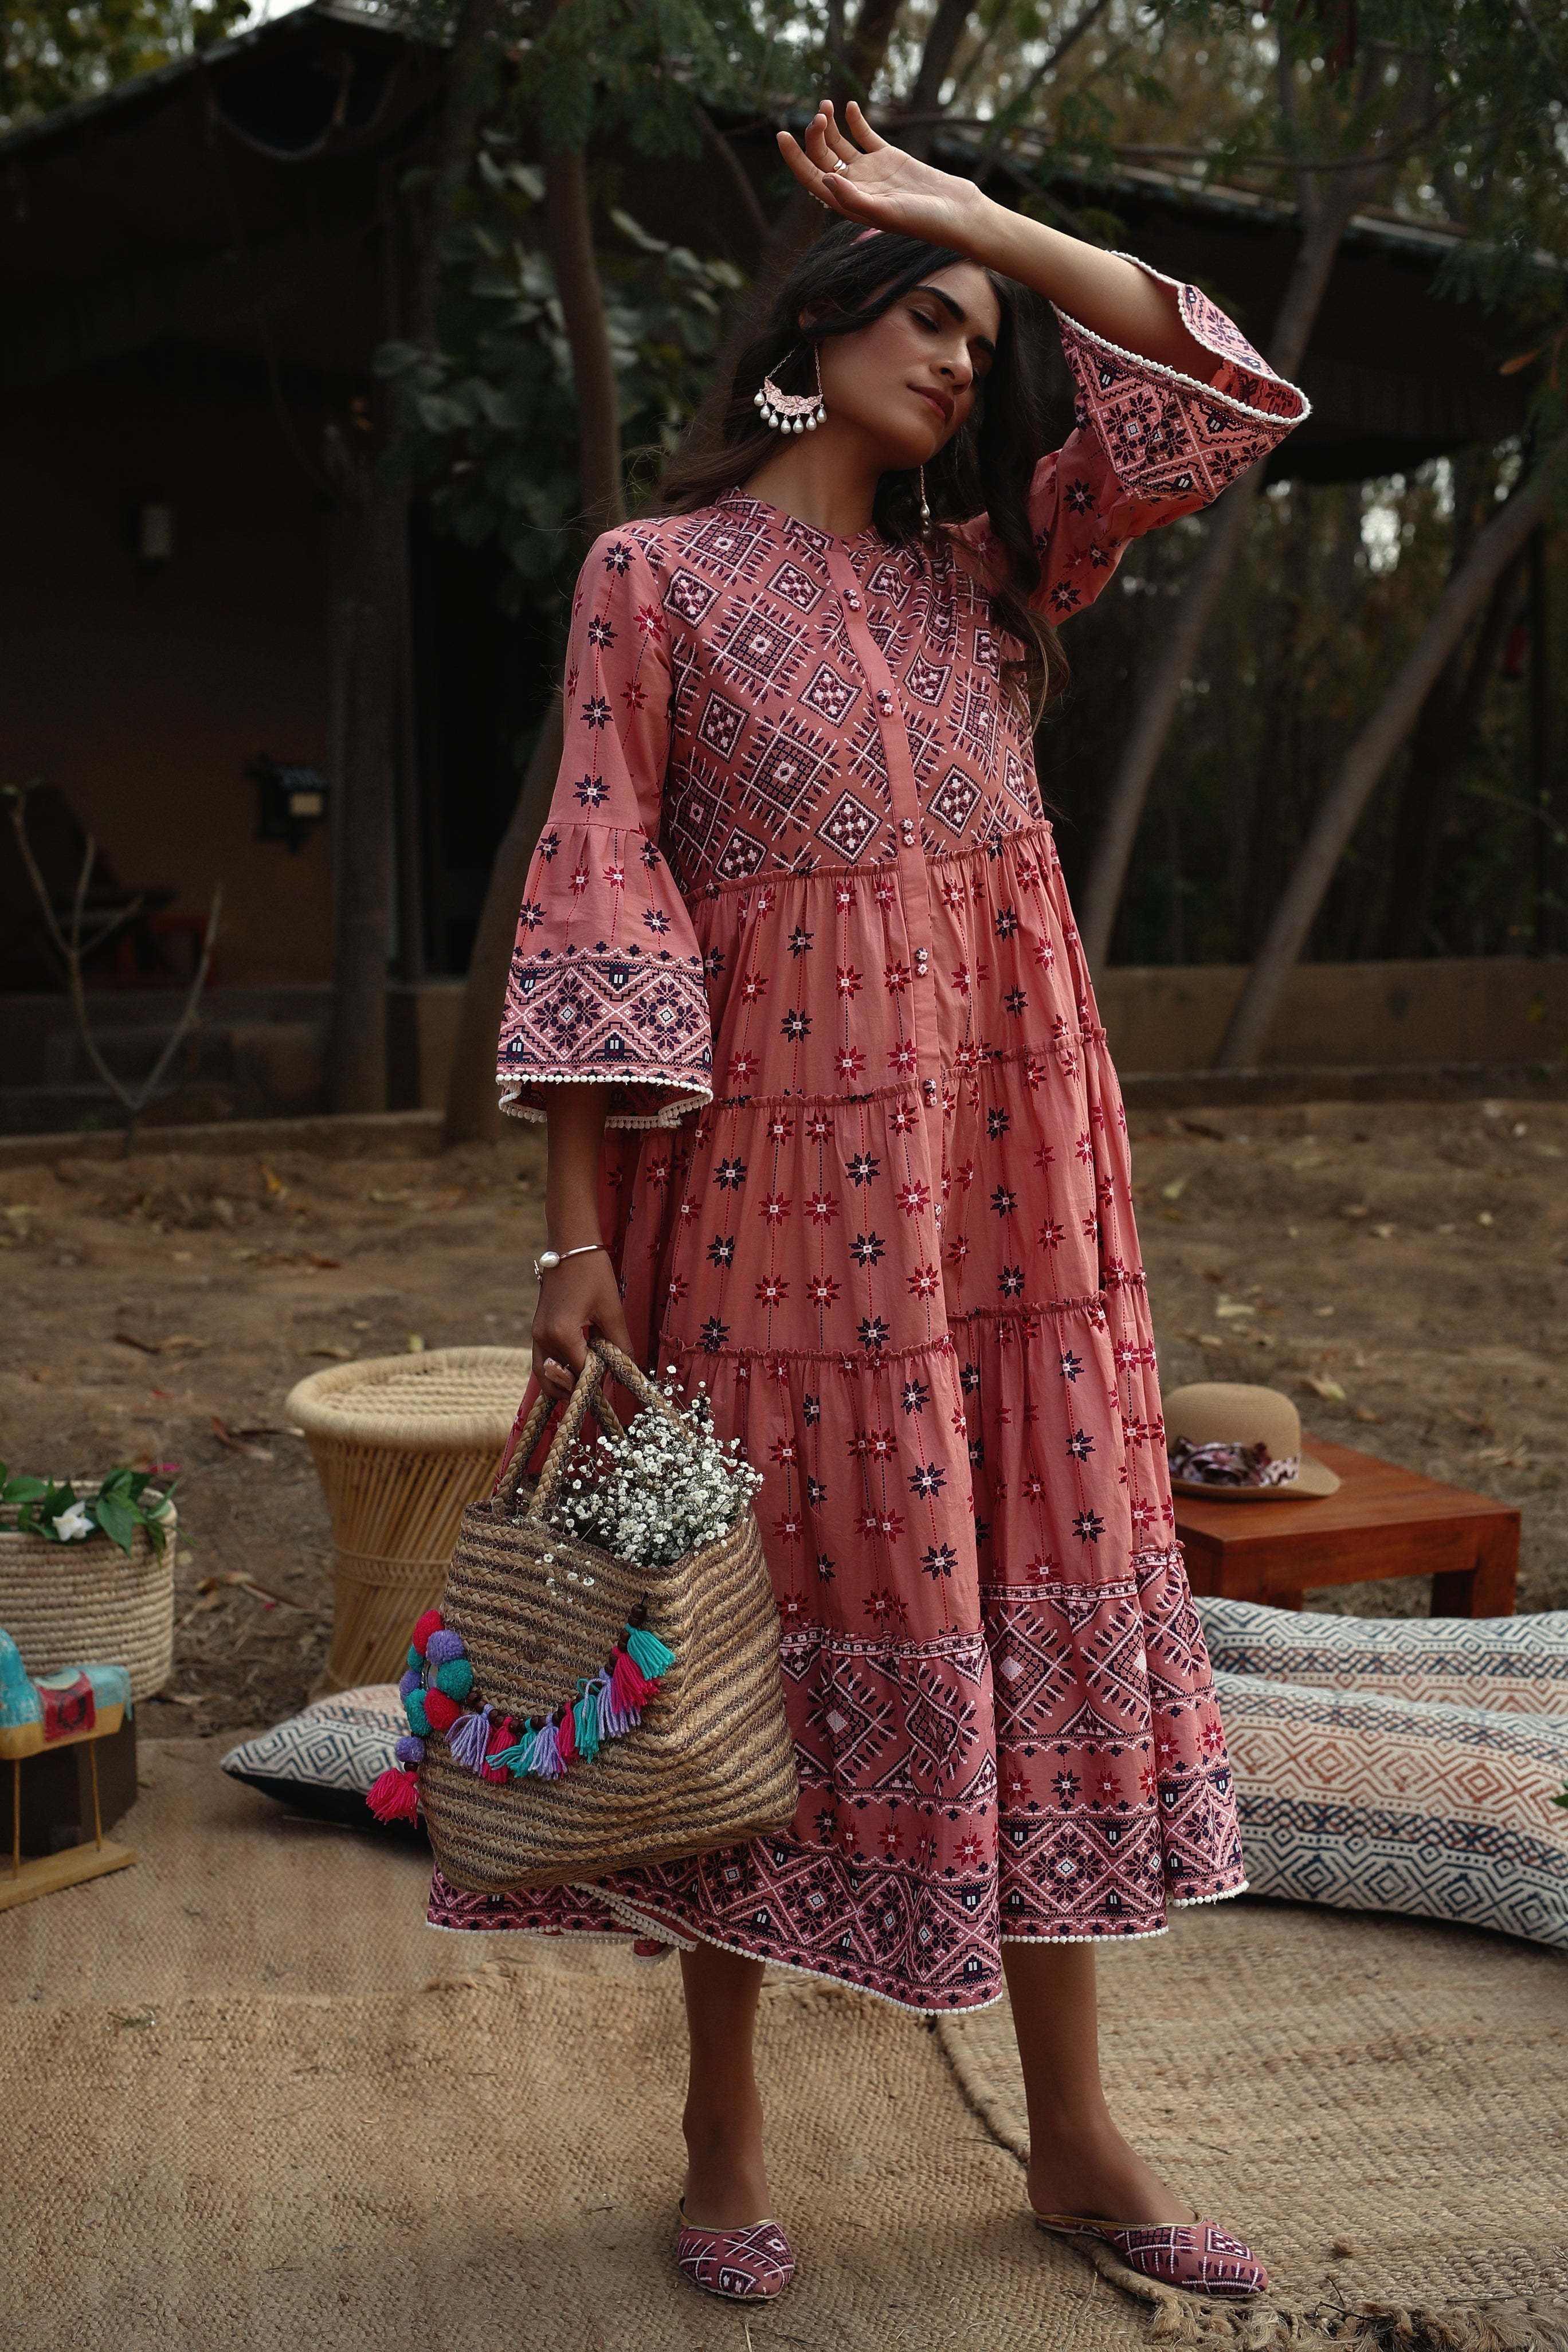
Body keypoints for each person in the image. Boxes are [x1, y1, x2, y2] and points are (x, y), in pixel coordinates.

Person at [428, 99, 1307, 2306]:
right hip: (765, 1217)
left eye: (975, 334)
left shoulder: (991, 579)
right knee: (762, 1615)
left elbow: (1212, 396)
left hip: (1014, 1202)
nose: (956, 354)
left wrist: (980, 215)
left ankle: (1079, 2136)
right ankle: (722, 2129)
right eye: (918, 314)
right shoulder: (656, 578)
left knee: (1037, 1595)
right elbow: (599, 903)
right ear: (809, 342)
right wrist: (567, 1247)